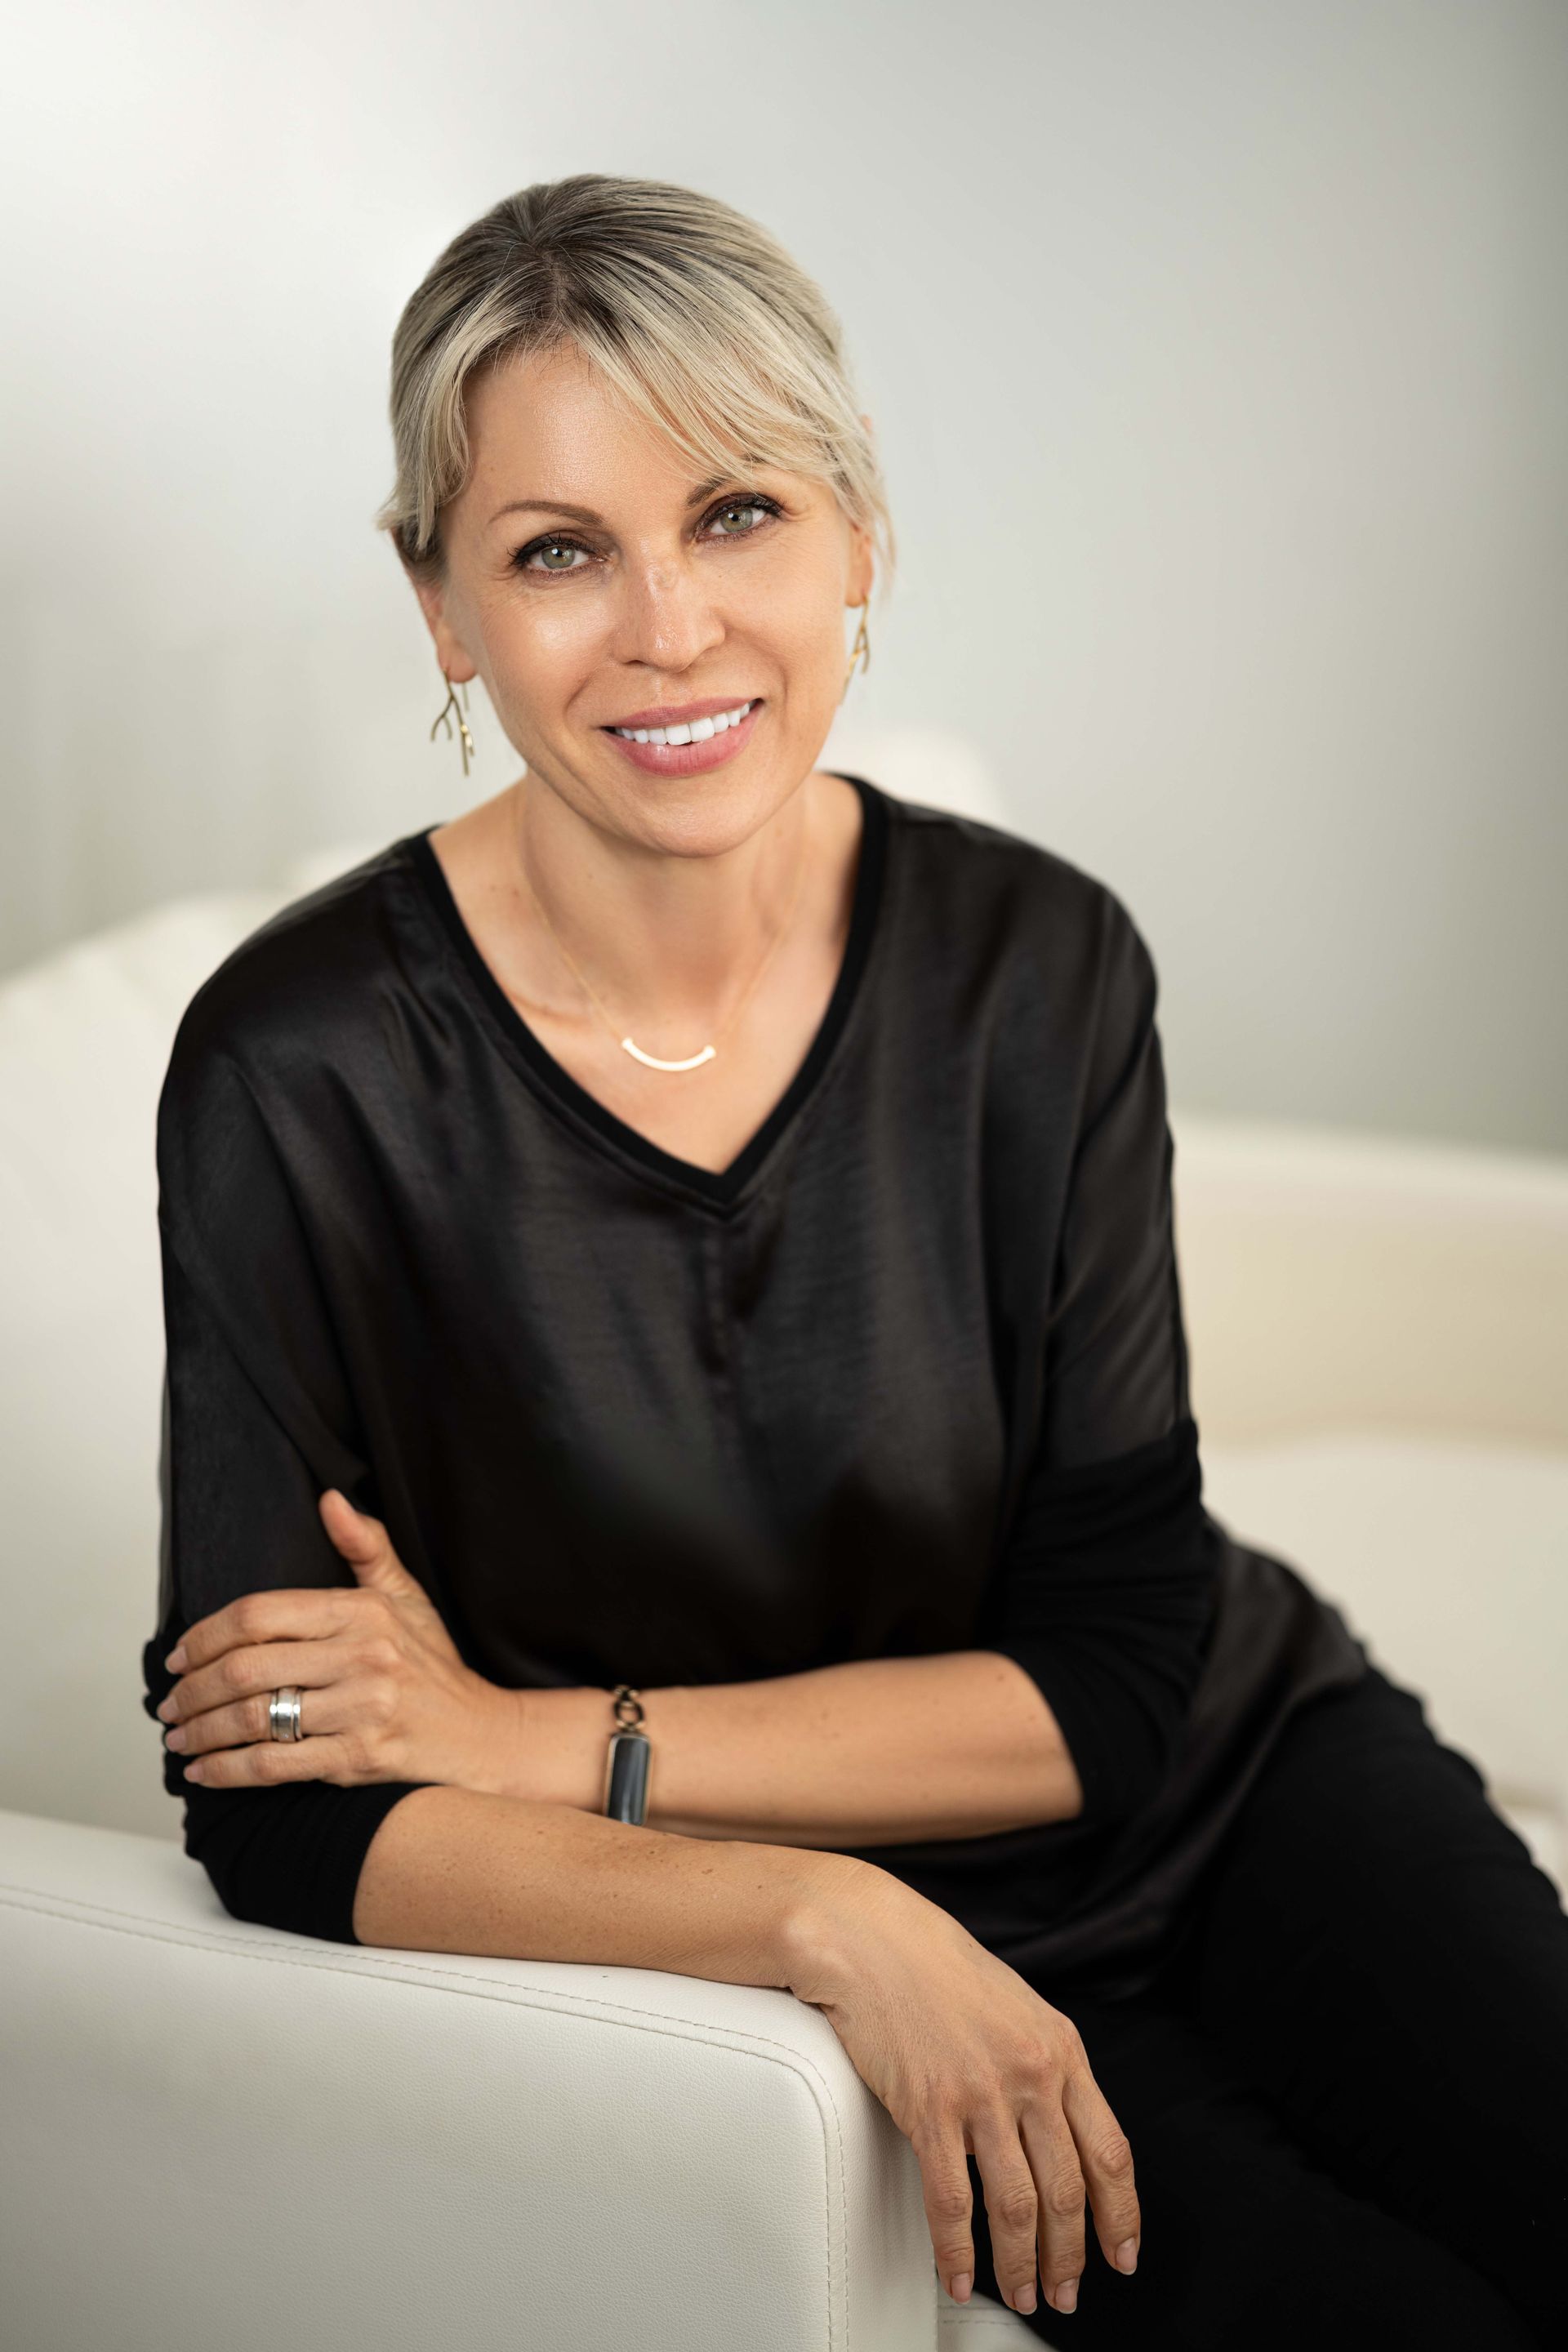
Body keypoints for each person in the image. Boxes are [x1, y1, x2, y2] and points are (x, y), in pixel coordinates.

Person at [140, 175, 1566, 2347]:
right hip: (798, 1967)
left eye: (737, 514)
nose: (670, 628)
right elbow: (284, 1824)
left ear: (861, 542)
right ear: (439, 605)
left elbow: (1114, 1679)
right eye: (553, 551)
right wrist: (819, 1916)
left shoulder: (1038, 961)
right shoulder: (297, 1073)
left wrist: (543, 1745)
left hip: (1246, 1780)